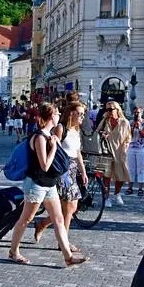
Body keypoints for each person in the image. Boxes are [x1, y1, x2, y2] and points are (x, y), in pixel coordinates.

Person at [9, 102, 88, 266]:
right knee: (27, 218)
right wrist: (53, 147)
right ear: (51, 116)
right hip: (36, 183)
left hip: (50, 184)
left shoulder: (50, 135)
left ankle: (68, 257)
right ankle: (13, 251)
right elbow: (44, 165)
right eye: (57, 113)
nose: (59, 115)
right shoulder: (39, 137)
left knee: (59, 219)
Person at [34, 101, 88, 252]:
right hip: (62, 169)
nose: (82, 117)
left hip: (72, 169)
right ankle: (63, 241)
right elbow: (54, 148)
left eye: (83, 114)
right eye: (80, 113)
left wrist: (83, 171)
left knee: (69, 207)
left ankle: (44, 225)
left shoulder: (76, 130)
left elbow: (78, 153)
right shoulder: (60, 128)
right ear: (71, 113)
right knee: (68, 206)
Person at [97, 101, 131, 207]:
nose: (109, 111)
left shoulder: (124, 122)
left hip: (120, 151)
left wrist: (125, 148)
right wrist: (102, 134)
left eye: (111, 109)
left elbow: (128, 138)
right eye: (107, 109)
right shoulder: (104, 121)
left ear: (117, 109)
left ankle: (117, 194)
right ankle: (106, 197)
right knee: (106, 175)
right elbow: (97, 132)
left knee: (120, 175)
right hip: (107, 151)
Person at [126, 106, 144, 197]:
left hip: (141, 148)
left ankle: (140, 188)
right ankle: (130, 187)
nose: (136, 114)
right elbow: (129, 135)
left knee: (140, 169)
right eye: (135, 112)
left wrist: (139, 127)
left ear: (142, 113)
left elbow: (143, 135)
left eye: (138, 112)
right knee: (131, 169)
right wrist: (132, 127)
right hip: (131, 148)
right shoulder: (130, 122)